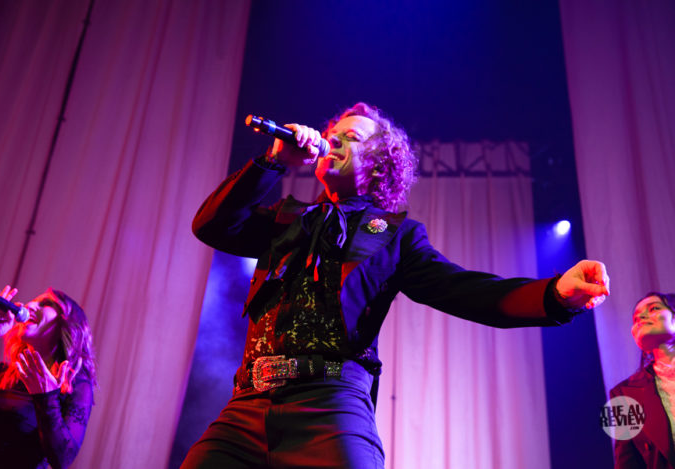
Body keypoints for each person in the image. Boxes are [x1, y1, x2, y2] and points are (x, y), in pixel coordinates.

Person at [182, 102, 610, 468]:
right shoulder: (284, 219)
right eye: (331, 135)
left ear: (378, 163)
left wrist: (555, 294)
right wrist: (274, 161)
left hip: (329, 406)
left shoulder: (394, 235)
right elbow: (211, 225)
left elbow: (467, 291)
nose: (333, 141)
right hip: (249, 403)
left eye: (351, 138)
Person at [0, 285, 97, 468]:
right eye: (33, 302)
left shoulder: (76, 387)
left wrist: (46, 398)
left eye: (46, 303)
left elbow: (62, 459)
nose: (29, 305)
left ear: (66, 324)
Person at [611, 292, 675, 468]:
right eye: (635, 318)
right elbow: (627, 462)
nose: (641, 317)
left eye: (654, 308)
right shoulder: (623, 394)